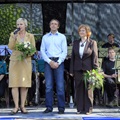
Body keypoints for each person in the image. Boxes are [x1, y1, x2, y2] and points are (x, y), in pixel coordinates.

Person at [8, 18, 35, 114]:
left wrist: (26, 53)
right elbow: (10, 47)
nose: (19, 26)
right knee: (14, 84)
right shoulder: (13, 34)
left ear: (25, 25)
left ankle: (23, 106)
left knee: (24, 84)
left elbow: (33, 49)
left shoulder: (30, 36)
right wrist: (14, 38)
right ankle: (15, 107)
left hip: (25, 62)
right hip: (15, 61)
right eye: (18, 24)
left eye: (21, 24)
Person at [70, 24, 98, 115]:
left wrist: (95, 70)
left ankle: (88, 109)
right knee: (79, 89)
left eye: (84, 31)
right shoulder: (75, 43)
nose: (82, 32)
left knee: (88, 89)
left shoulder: (92, 43)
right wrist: (71, 70)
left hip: (88, 69)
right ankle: (80, 108)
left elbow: (95, 57)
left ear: (88, 33)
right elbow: (73, 57)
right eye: (80, 30)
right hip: (77, 69)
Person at [40, 19, 67, 114]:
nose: (53, 25)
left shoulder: (62, 37)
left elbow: (65, 52)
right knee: (48, 86)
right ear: (49, 26)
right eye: (52, 24)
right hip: (48, 62)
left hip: (59, 62)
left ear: (58, 26)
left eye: (55, 24)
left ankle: (61, 108)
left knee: (60, 86)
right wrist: (49, 61)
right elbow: (42, 51)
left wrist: (58, 62)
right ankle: (49, 107)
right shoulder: (45, 37)